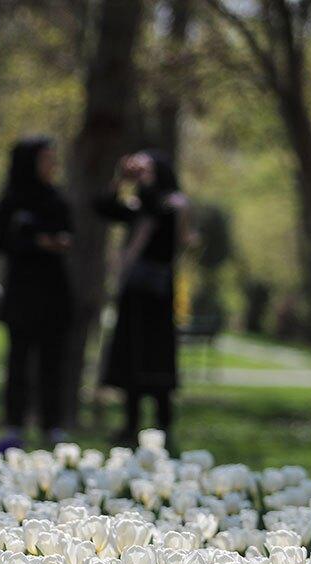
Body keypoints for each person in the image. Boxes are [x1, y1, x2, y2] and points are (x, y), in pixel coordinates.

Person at [96, 149, 190, 446]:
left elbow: (160, 211)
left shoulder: (172, 203)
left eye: (147, 170)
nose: (142, 176)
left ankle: (163, 427)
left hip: (158, 293)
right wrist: (119, 178)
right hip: (135, 291)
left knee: (158, 360)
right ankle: (130, 425)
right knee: (132, 358)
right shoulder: (139, 205)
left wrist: (140, 179)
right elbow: (104, 207)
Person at [0, 136, 74, 447]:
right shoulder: (12, 201)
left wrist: (54, 242)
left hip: (53, 289)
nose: (53, 166)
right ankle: (15, 422)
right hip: (22, 290)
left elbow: (68, 234)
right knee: (19, 358)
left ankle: (53, 422)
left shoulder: (57, 198)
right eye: (46, 159)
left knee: (53, 359)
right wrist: (35, 242)